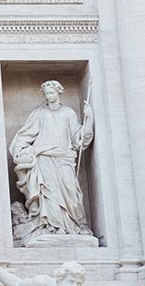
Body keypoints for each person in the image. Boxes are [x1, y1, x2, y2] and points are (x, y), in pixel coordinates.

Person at [9, 81, 94, 238]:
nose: (49, 96)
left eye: (52, 93)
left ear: (58, 93)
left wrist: (89, 121)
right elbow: (25, 135)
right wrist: (21, 149)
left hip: (64, 158)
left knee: (71, 192)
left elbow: (78, 140)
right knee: (49, 193)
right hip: (44, 158)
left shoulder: (69, 113)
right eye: (47, 94)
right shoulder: (39, 114)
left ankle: (75, 224)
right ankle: (53, 226)